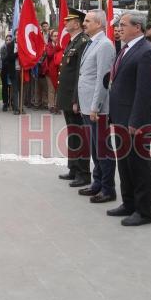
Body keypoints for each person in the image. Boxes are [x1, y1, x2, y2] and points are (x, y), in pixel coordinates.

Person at [106, 11, 151, 227]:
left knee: (139, 165)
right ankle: (128, 203)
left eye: (123, 24)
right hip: (120, 117)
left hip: (135, 121)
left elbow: (144, 92)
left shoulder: (146, 52)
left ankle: (144, 211)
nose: (119, 28)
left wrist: (135, 122)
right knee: (124, 163)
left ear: (137, 27)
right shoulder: (126, 49)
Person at [76, 10, 116, 203]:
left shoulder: (105, 45)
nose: (84, 24)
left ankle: (108, 189)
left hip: (97, 108)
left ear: (99, 24)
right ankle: (97, 183)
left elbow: (102, 79)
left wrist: (95, 107)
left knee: (103, 150)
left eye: (88, 21)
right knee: (94, 148)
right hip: (86, 105)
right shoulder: (92, 42)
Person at [55, 10, 91, 187]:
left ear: (77, 24)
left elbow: (79, 73)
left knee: (79, 135)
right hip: (67, 96)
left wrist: (76, 99)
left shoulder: (83, 42)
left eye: (68, 20)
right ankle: (73, 168)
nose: (65, 23)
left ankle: (83, 173)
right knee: (73, 133)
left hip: (74, 97)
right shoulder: (73, 41)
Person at [0, 34, 16, 112]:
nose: (8, 41)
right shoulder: (3, 48)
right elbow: (3, 58)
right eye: (7, 40)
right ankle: (5, 103)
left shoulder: (14, 47)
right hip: (5, 70)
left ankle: (12, 102)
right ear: (5, 41)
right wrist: (11, 55)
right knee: (5, 87)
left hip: (12, 69)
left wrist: (12, 56)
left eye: (10, 39)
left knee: (12, 87)